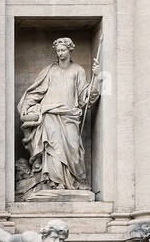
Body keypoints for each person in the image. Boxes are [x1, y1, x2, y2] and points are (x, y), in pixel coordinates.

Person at [18, 37, 99, 192]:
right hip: (50, 114)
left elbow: (85, 98)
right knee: (53, 149)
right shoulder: (49, 71)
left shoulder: (78, 71)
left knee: (73, 149)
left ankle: (74, 181)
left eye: (63, 50)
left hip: (70, 115)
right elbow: (36, 92)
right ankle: (54, 183)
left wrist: (95, 78)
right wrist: (27, 107)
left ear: (70, 50)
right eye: (58, 51)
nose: (61, 53)